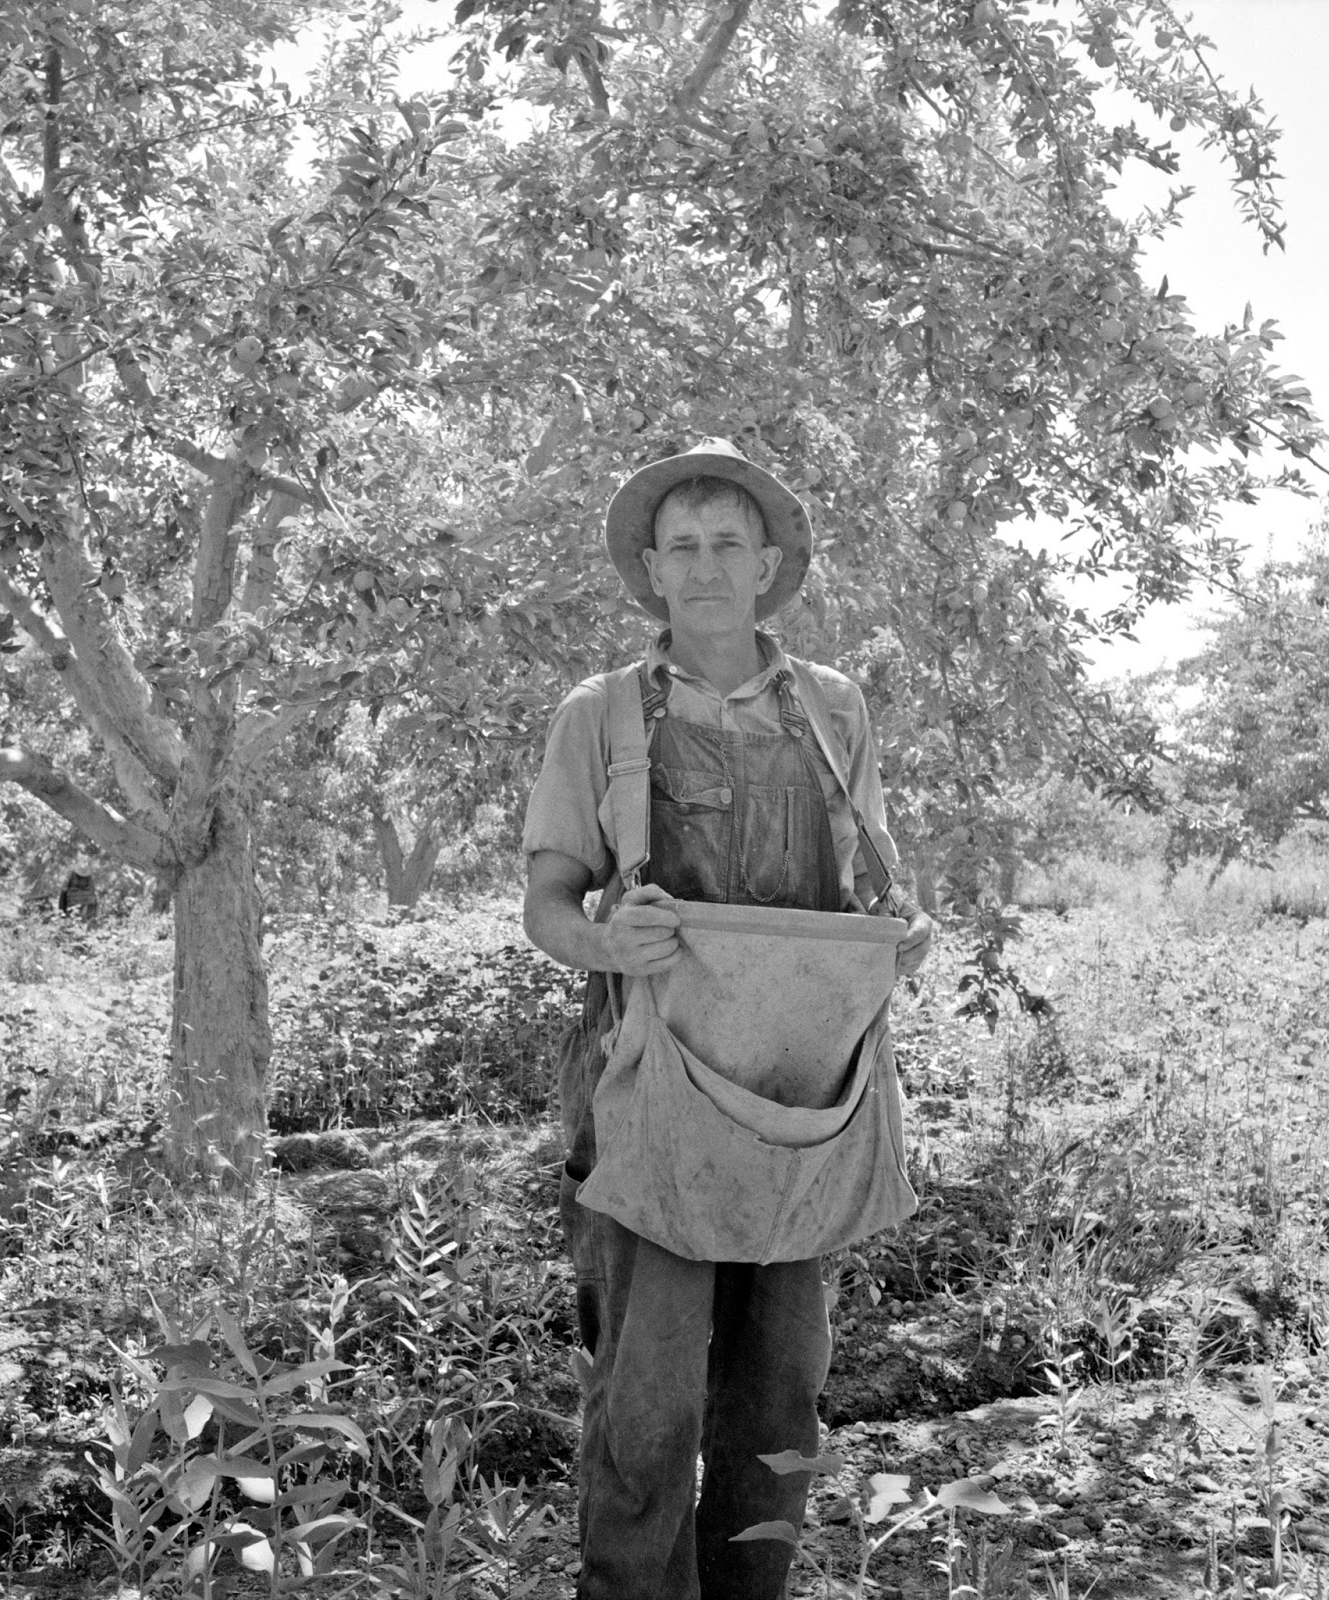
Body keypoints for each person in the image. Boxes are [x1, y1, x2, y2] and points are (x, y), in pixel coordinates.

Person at [522, 438, 934, 1600]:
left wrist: (902, 931)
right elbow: (547, 903)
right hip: (649, 1088)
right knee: (648, 1398)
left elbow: (875, 892)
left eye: (727, 545)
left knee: (780, 1391)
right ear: (653, 570)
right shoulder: (602, 715)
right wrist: (607, 941)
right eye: (683, 546)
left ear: (767, 566)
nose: (704, 566)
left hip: (797, 1093)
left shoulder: (833, 708)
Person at [57, 852, 100, 922]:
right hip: (79, 897)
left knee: (64, 893)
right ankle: (63, 911)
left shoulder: (85, 877)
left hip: (79, 899)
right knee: (63, 893)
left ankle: (63, 912)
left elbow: (91, 888)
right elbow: (92, 889)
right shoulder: (74, 875)